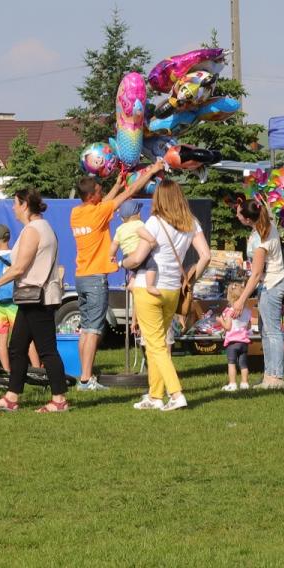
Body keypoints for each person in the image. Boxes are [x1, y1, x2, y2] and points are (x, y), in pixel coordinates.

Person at [70, 161, 165, 392]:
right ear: (91, 196)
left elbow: (106, 201)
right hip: (95, 279)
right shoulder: (99, 212)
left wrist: (116, 185)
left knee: (85, 329)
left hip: (81, 277)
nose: (102, 193)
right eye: (99, 191)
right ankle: (87, 379)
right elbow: (131, 192)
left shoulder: (77, 213)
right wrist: (151, 172)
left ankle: (84, 377)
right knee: (94, 330)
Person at [121, 179, 211, 411]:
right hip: (172, 289)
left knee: (156, 345)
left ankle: (176, 393)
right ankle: (155, 396)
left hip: (149, 288)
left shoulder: (154, 222)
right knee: (156, 344)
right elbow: (206, 255)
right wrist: (191, 279)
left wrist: (123, 262)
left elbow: (138, 258)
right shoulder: (191, 222)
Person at [0, 188, 69, 413]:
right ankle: (11, 397)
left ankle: (59, 400)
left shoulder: (33, 230)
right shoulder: (44, 227)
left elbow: (19, 267)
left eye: (15, 203)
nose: (13, 208)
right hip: (32, 298)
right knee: (17, 348)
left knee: (47, 350)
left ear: (25, 205)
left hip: (36, 298)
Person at [230, 200, 284, 390]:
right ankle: (269, 376)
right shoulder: (266, 225)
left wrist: (241, 300)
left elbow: (256, 274)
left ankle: (276, 377)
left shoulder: (260, 238)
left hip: (272, 284)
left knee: (272, 332)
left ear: (248, 219)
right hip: (271, 283)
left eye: (239, 213)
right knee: (266, 331)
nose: (236, 215)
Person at [0, 224, 41, 374]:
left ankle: (7, 370)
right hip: (16, 302)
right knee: (27, 338)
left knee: (2, 338)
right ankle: (36, 368)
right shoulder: (17, 255)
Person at [109, 200, 160, 296]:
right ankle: (150, 286)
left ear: (122, 219)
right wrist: (152, 240)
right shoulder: (139, 224)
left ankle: (131, 284)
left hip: (127, 256)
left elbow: (114, 244)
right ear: (138, 214)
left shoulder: (119, 229)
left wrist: (111, 256)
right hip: (139, 253)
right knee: (152, 266)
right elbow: (142, 232)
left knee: (135, 271)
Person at [219, 282, 252, 392]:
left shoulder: (229, 311)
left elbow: (228, 327)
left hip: (232, 343)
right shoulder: (247, 311)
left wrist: (220, 321)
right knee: (244, 364)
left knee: (232, 363)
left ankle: (232, 384)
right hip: (244, 342)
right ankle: (245, 383)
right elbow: (248, 326)